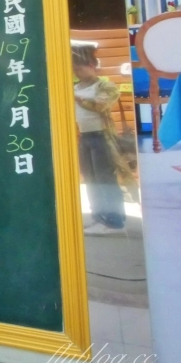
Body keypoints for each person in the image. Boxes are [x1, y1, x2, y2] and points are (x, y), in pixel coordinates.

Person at [71, 45, 126, 235]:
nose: (76, 70)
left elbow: (100, 106)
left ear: (93, 65)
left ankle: (115, 221)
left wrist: (76, 98)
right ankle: (98, 218)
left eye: (80, 67)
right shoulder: (74, 87)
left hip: (102, 137)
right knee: (91, 180)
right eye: (74, 67)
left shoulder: (106, 86)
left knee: (105, 179)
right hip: (84, 137)